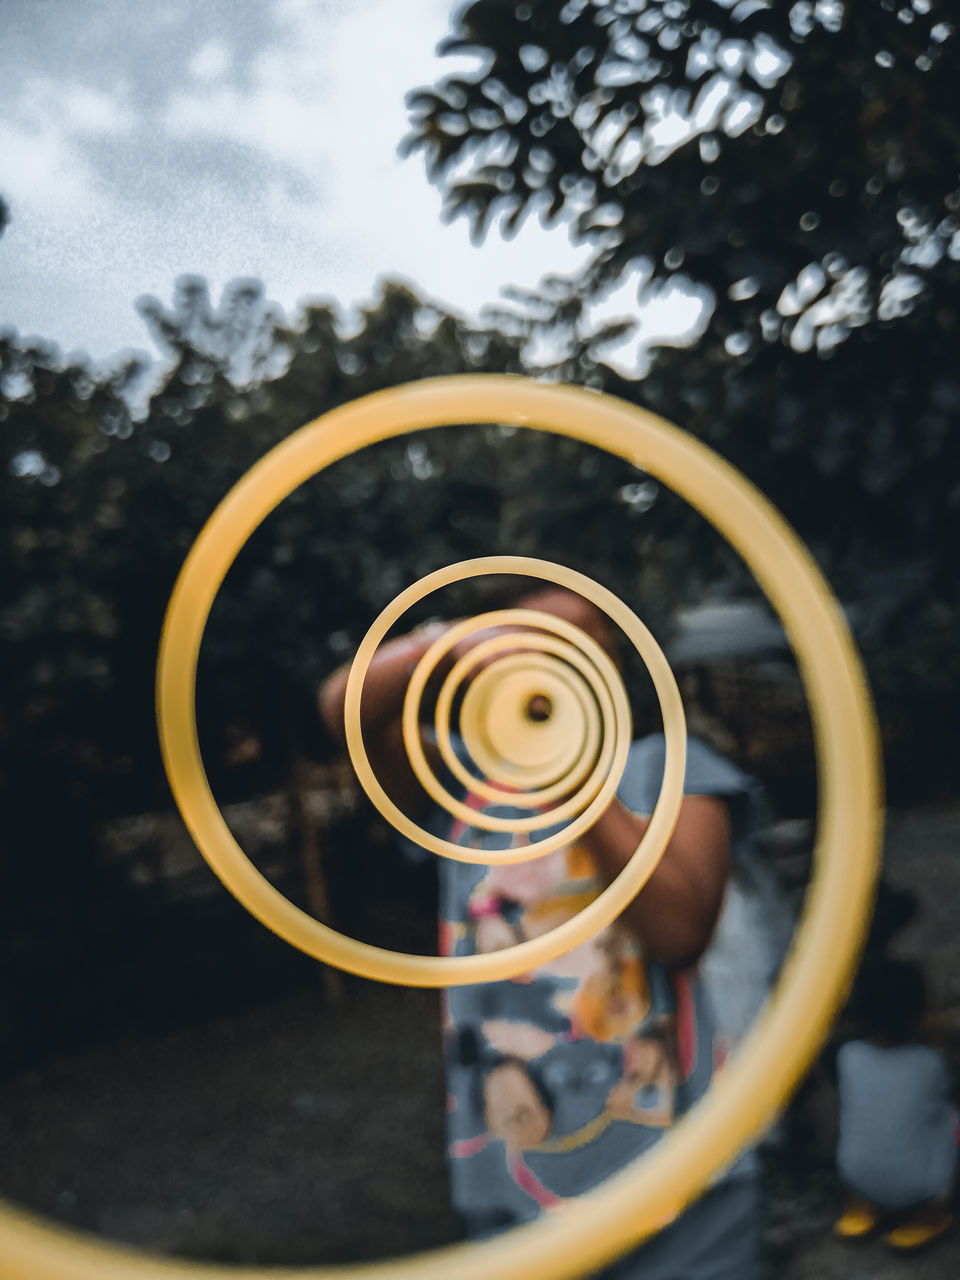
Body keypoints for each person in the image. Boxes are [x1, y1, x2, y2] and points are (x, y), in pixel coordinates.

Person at [320, 584, 769, 1278]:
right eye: (519, 646)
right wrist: (445, 643)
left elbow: (682, 931)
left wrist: (573, 771)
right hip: (517, 1191)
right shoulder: (459, 797)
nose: (542, 663)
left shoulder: (667, 769)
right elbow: (340, 704)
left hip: (684, 1181)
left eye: (570, 645)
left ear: (609, 668)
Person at [833, 956, 956, 1250]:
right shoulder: (930, 1062)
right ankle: (929, 1216)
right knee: (949, 1116)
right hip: (918, 1186)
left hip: (855, 1177)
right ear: (919, 1015)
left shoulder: (847, 1054)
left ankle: (863, 1209)